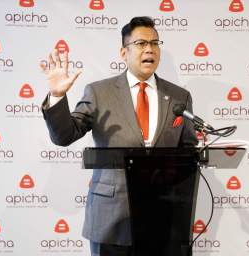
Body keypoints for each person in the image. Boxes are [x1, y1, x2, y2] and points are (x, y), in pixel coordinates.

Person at [40, 16, 198, 256]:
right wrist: (57, 96)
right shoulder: (99, 92)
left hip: (164, 219)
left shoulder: (179, 97)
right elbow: (65, 136)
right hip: (111, 219)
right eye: (141, 43)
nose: (149, 49)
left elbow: (188, 151)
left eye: (155, 43)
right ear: (123, 52)